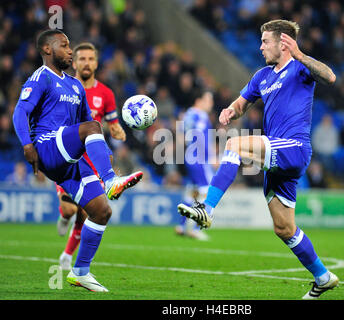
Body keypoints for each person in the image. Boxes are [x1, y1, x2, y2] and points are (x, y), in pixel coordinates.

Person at [177, 19, 339, 299]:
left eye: (265, 41)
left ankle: (207, 209)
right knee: (284, 228)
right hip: (276, 156)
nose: (260, 46)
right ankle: (323, 277)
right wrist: (230, 111)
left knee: (236, 146)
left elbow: (330, 77)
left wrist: (300, 55)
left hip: (293, 147)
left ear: (283, 43)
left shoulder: (300, 67)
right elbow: (241, 104)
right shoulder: (262, 76)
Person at [12, 29, 143, 292]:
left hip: (69, 159)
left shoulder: (74, 85)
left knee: (101, 211)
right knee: (92, 128)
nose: (70, 51)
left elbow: (87, 125)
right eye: (64, 45)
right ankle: (110, 181)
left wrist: (104, 155)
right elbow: (20, 111)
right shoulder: (41, 78)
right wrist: (27, 145)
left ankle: (80, 271)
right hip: (47, 146)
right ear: (47, 49)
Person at [56, 42, 127, 271]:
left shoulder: (106, 93)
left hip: (93, 159)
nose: (86, 63)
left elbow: (113, 123)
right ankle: (64, 216)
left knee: (89, 210)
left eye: (91, 59)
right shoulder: (63, 88)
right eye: (82, 59)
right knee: (70, 209)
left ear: (96, 63)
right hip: (67, 157)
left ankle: (67, 256)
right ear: (74, 62)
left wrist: (118, 130)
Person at [175, 89, 215, 241]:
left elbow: (181, 137)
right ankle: (197, 228)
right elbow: (204, 140)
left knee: (191, 192)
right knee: (208, 190)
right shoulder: (201, 115)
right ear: (199, 101)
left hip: (189, 156)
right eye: (208, 100)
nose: (211, 104)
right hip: (199, 158)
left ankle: (181, 226)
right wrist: (210, 157)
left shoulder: (187, 115)